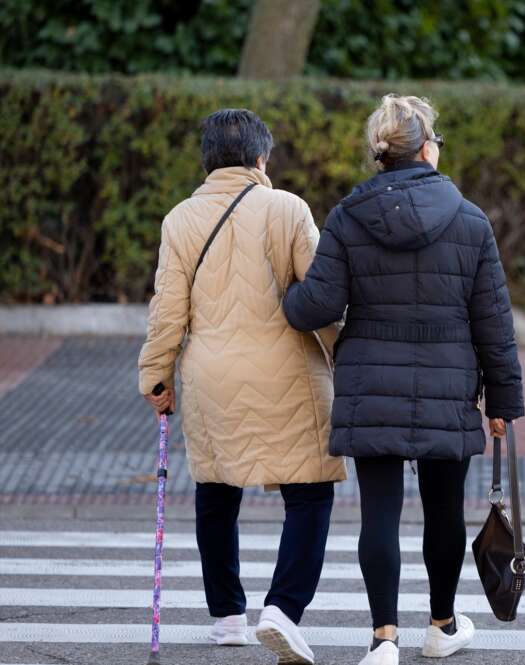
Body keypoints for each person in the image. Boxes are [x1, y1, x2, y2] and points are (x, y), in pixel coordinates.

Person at [283, 94, 525, 665]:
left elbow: (316, 304)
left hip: (371, 383)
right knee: (444, 512)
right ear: (425, 147)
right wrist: (503, 401)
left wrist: (287, 298)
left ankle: (383, 638)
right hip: (449, 384)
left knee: (380, 513)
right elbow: (493, 320)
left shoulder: (347, 217)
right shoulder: (469, 219)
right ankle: (441, 625)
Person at [138, 109, 345, 665]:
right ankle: (282, 608)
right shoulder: (287, 209)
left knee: (216, 489)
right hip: (288, 371)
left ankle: (227, 614)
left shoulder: (179, 220)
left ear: (206, 161)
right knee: (309, 493)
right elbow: (323, 298)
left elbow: (167, 312)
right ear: (261, 158)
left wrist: (156, 374)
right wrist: (346, 353)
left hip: (210, 374)